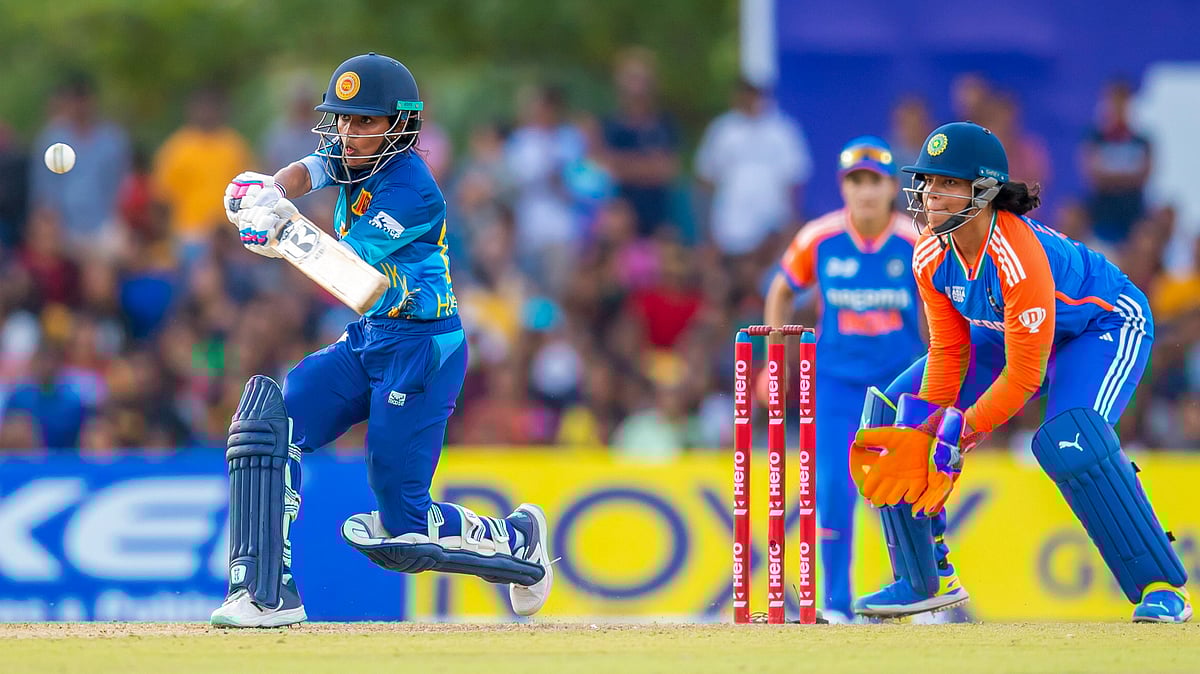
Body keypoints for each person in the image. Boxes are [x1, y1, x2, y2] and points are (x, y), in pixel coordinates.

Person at [209, 53, 553, 628]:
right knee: (273, 426)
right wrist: (268, 191)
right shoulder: (352, 154)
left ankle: (519, 540)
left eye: (365, 120)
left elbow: (350, 273)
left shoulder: (414, 190)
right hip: (371, 338)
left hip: (423, 351)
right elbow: (306, 170)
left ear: (401, 125)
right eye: (342, 119)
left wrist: (281, 232)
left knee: (403, 527)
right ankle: (266, 592)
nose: (349, 132)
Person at [849, 122, 1191, 624]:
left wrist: (958, 435)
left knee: (1073, 440)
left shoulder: (1015, 255)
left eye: (948, 183)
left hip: (1099, 328)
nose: (931, 194)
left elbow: (1025, 377)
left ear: (984, 191)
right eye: (927, 181)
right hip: (1009, 332)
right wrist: (928, 427)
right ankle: (923, 580)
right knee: (899, 418)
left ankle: (1161, 588)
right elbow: (948, 350)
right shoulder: (929, 252)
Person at [763, 137, 924, 622]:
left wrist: (943, 366)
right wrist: (776, 360)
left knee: (908, 489)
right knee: (833, 488)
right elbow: (780, 290)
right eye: (856, 181)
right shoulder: (820, 237)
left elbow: (943, 305)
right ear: (843, 187)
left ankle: (920, 592)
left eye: (875, 181)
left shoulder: (915, 240)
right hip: (835, 384)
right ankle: (835, 604)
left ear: (891, 187)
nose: (866, 191)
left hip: (900, 385)